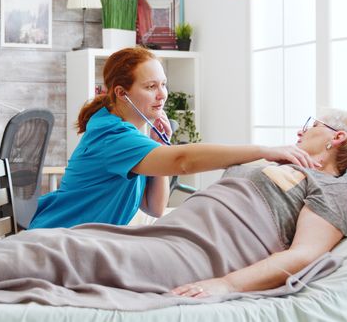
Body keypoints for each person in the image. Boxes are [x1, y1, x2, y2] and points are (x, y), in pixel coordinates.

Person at [0, 109, 347, 308]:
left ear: (336, 139)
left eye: (317, 120)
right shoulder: (263, 165)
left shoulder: (331, 191)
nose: (304, 125)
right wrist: (162, 163)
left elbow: (305, 254)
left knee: (54, 255)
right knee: (45, 245)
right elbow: (164, 207)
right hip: (163, 238)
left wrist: (228, 286)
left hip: (194, 260)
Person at [30, 47, 319, 229]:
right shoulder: (112, 136)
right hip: (58, 236)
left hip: (80, 238)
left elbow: (154, 207)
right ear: (121, 93)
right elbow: (183, 162)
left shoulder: (129, 134)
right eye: (150, 86)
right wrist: (263, 150)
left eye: (164, 84)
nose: (162, 95)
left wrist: (158, 144)